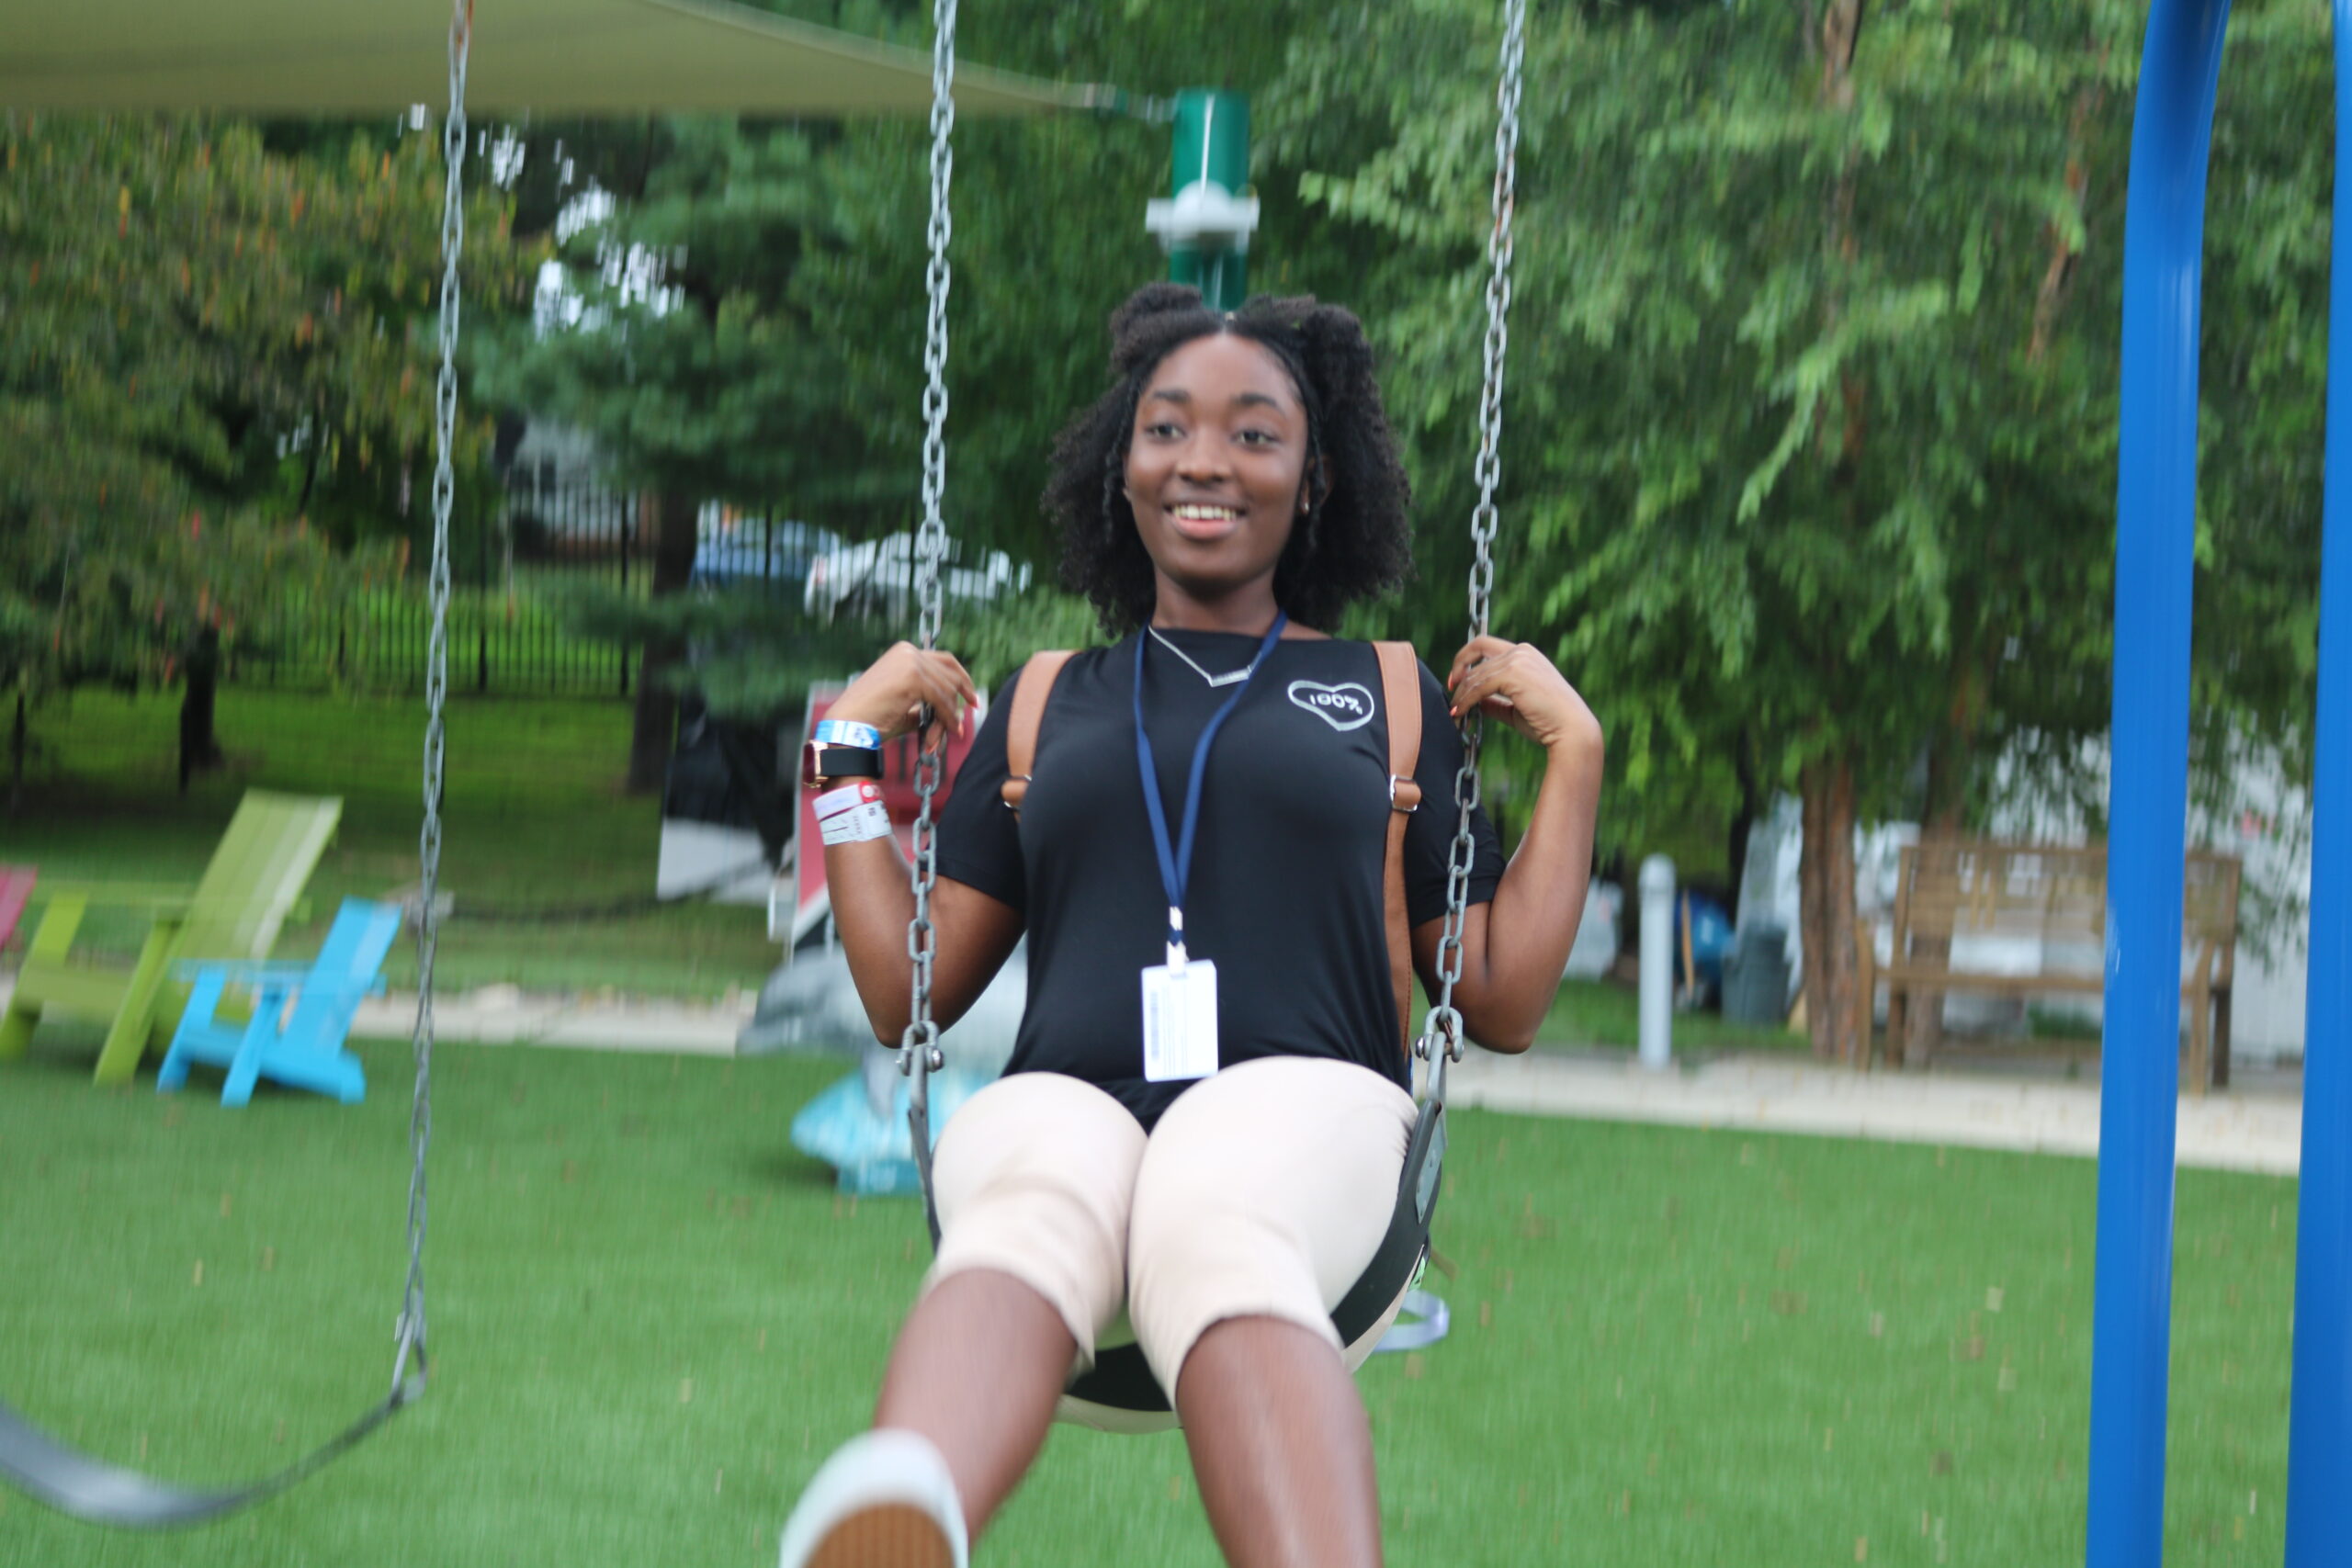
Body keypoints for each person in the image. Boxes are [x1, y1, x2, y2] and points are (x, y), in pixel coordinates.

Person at [778, 282, 1603, 1568]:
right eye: (1167, 428)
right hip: (1084, 1112)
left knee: (1217, 1181)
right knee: (1025, 1166)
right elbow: (909, 992)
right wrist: (840, 757)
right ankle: (906, 1513)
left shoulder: (1386, 693)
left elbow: (1495, 994)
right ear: (1124, 467)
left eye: (1253, 432)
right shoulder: (1052, 702)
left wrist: (1578, 754)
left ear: (1315, 477)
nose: (1204, 459)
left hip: (1311, 1119)